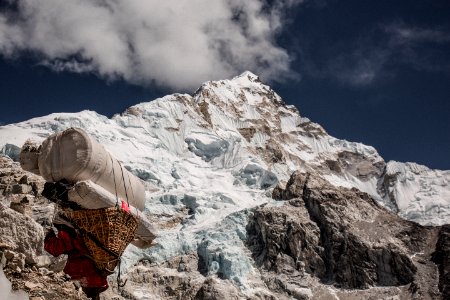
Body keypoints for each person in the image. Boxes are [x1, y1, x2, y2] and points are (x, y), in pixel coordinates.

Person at [44, 224, 108, 300]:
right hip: (98, 277)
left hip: (81, 274)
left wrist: (49, 236)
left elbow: (55, 248)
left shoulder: (72, 232)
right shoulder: (96, 233)